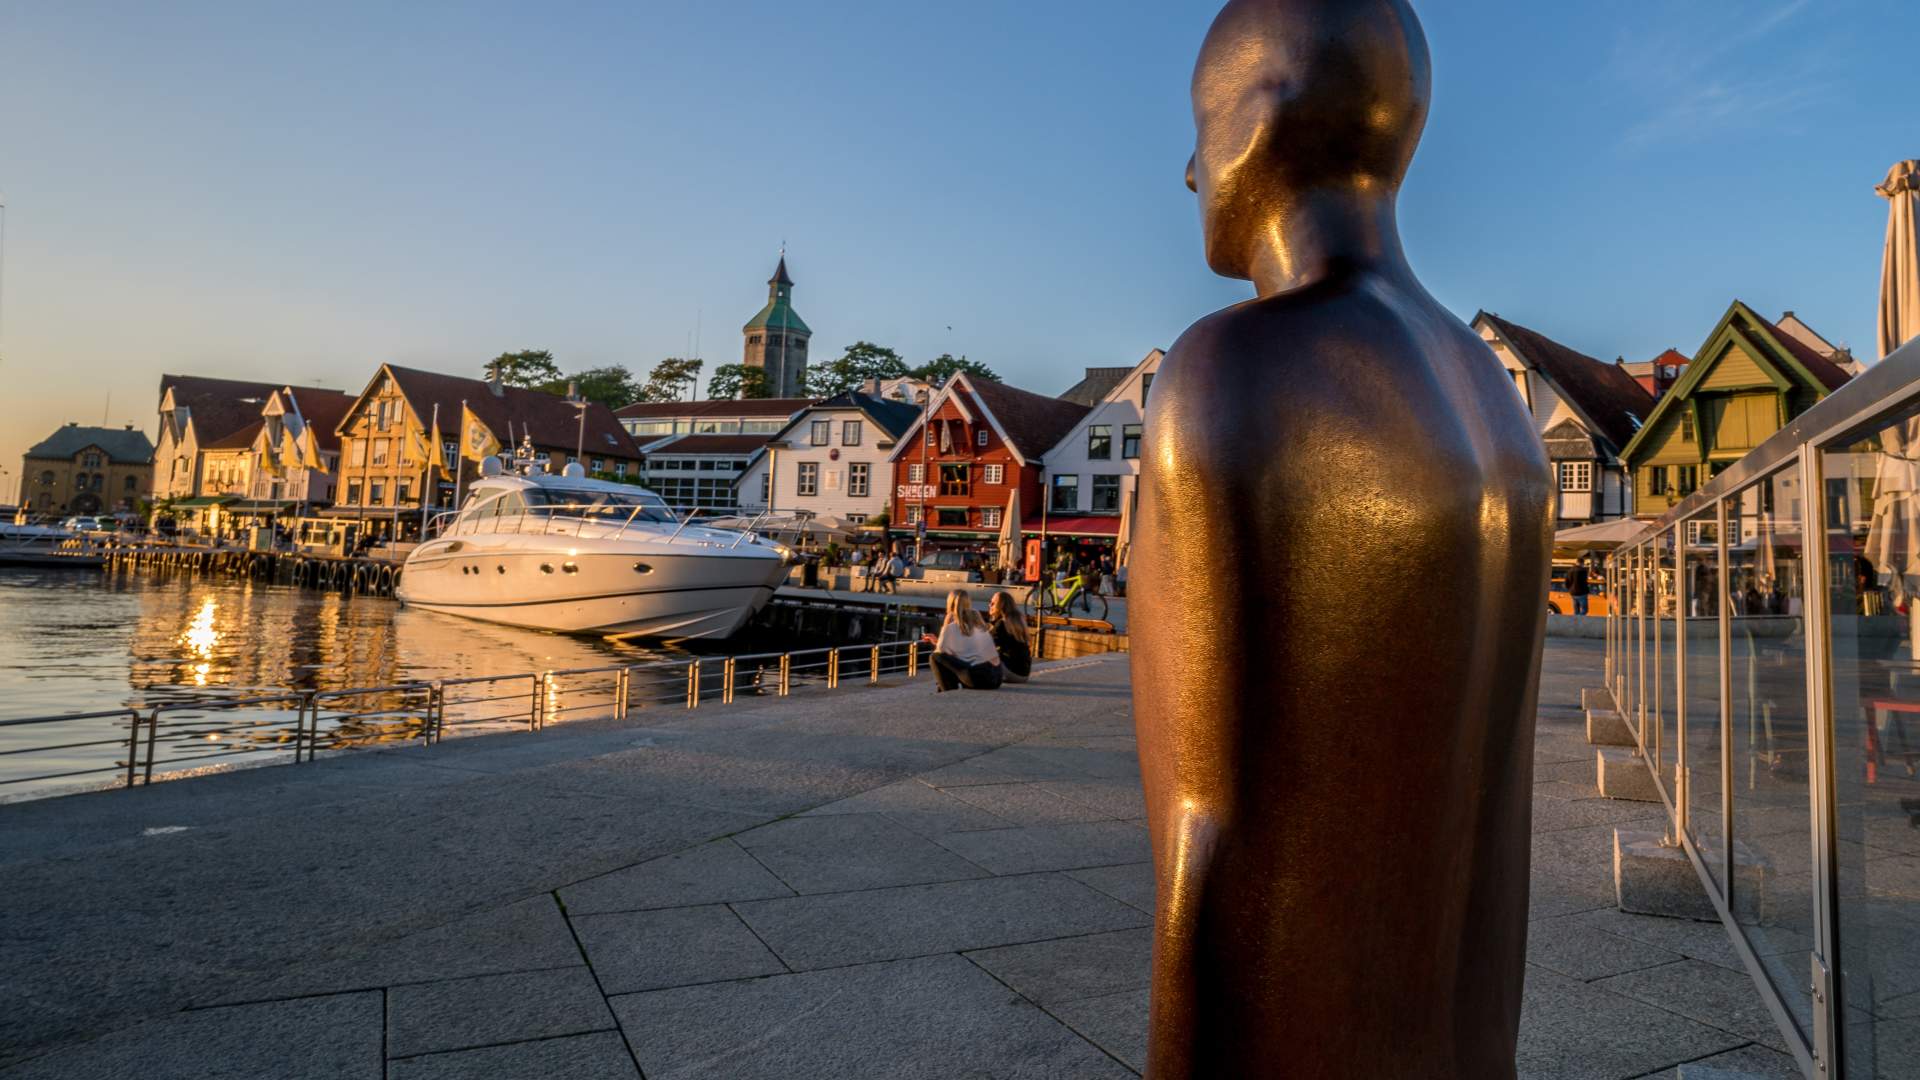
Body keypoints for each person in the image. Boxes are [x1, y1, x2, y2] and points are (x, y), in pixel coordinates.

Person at [924, 588, 1003, 692]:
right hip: (995, 677)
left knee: (934, 657)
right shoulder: (976, 619)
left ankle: (947, 692)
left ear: (950, 604)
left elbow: (940, 652)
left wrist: (945, 627)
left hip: (979, 679)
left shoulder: (951, 621)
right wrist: (938, 641)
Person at [989, 590, 1033, 683]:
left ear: (1000, 606)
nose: (990, 605)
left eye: (993, 603)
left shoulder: (1002, 623)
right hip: (1024, 674)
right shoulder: (1018, 620)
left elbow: (987, 646)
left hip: (1011, 674)